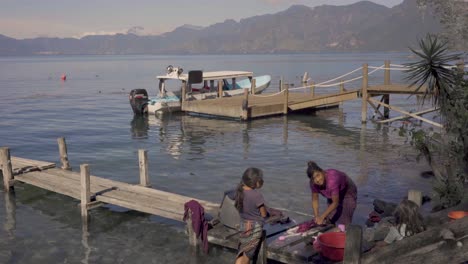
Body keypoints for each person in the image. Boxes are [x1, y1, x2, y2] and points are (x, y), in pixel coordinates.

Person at [306, 161, 357, 226]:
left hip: (347, 190)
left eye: (318, 175)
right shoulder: (313, 183)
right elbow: (315, 200)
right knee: (331, 218)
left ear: (322, 172)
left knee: (344, 220)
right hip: (332, 192)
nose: (317, 180)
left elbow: (335, 203)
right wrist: (317, 216)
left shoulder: (332, 180)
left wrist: (322, 216)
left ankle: (344, 231)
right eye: (314, 178)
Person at [234, 167, 267, 264]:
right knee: (248, 255)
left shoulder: (239, 191)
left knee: (243, 251)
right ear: (255, 182)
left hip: (243, 225)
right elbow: (264, 214)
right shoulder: (257, 195)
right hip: (254, 228)